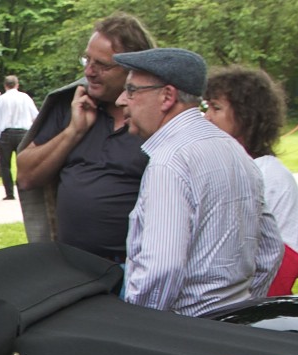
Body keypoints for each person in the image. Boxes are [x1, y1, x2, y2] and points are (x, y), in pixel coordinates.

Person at [113, 47, 274, 317]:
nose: (121, 100)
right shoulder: (234, 150)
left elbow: (161, 268)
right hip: (229, 328)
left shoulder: (169, 162)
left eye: (131, 90)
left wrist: (139, 329)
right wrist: (239, 314)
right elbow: (269, 252)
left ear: (167, 96)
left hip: (184, 330)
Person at [14, 13, 155, 262]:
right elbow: (26, 177)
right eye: (87, 59)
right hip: (70, 265)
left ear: (134, 69)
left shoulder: (156, 119)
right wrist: (73, 132)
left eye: (102, 65)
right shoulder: (70, 104)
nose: (89, 71)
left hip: (134, 269)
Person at [204, 65, 298, 296]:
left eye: (216, 108)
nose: (207, 117)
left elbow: (291, 260)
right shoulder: (213, 167)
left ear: (246, 115)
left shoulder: (272, 176)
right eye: (207, 107)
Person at [0, 74, 36, 201]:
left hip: (5, 134)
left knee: (5, 164)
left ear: (5, 86)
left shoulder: (0, 100)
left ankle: (9, 193)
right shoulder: (25, 98)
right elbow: (35, 117)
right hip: (23, 134)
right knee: (24, 163)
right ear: (17, 84)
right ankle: (24, 190)